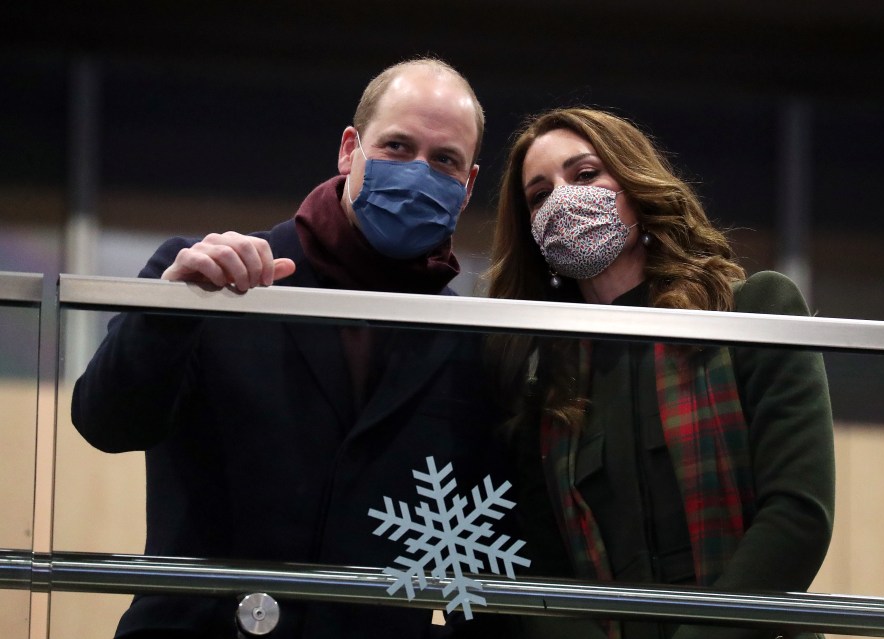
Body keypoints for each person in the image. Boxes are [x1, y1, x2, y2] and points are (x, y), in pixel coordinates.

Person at [72, 58, 509, 639]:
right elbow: (108, 423)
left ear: (469, 183)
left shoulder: (469, 340)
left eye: (444, 160)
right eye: (398, 146)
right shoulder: (210, 281)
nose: (417, 171)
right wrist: (169, 312)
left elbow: (478, 545)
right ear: (350, 149)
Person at [485, 107, 835, 639]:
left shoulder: (753, 313)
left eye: (584, 175)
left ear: (634, 183)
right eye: (538, 196)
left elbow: (797, 515)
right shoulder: (548, 394)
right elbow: (545, 576)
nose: (562, 199)